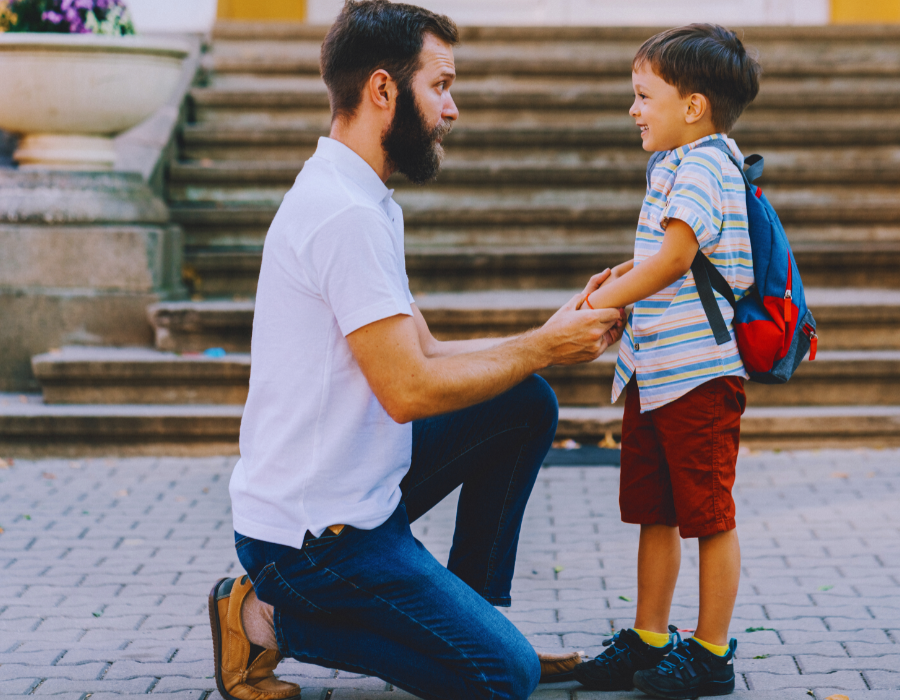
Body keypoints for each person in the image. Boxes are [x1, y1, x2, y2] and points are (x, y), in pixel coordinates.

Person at [205, 2, 624, 700]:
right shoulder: (343, 215)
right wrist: (543, 345)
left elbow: (425, 350)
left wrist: (546, 336)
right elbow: (410, 391)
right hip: (313, 543)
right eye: (441, 85)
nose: (452, 109)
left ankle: (468, 617)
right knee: (502, 677)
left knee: (522, 401)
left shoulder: (363, 198)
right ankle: (261, 617)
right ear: (382, 90)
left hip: (359, 492)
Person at [570, 24, 762, 699]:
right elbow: (668, 254)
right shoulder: (673, 163)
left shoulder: (710, 161)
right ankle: (650, 637)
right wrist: (620, 275)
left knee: (709, 514)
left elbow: (679, 259)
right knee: (655, 510)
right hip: (654, 372)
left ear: (694, 105)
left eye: (643, 94)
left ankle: (710, 654)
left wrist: (597, 310)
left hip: (700, 375)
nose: (634, 108)